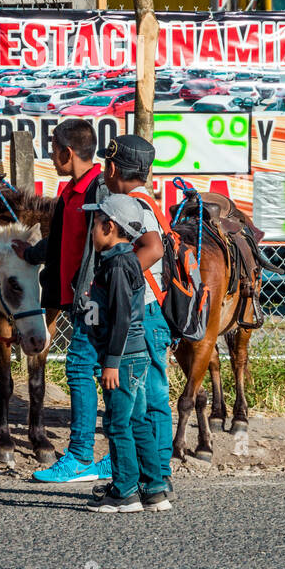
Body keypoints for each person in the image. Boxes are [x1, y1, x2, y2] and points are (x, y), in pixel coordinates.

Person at [19, 118, 112, 484]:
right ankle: (111, 457)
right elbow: (60, 241)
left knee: (85, 369)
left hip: (99, 299)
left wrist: (102, 294)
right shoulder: (71, 192)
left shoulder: (99, 190)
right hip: (79, 299)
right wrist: (30, 253)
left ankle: (81, 457)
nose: (51, 155)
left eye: (53, 147)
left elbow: (114, 245)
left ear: (66, 152)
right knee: (92, 372)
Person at [81, 195, 170, 513]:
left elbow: (121, 317)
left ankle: (125, 491)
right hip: (134, 356)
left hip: (123, 359)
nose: (90, 229)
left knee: (118, 425)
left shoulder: (117, 264)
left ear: (109, 226)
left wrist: (111, 362)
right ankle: (154, 487)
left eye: (95, 223)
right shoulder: (123, 259)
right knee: (138, 421)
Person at [99, 135, 174, 497]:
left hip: (141, 310)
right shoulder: (147, 201)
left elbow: (154, 247)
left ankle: (156, 475)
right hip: (148, 309)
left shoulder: (130, 205)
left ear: (112, 168)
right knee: (147, 397)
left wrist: (122, 278)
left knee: (150, 396)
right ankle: (154, 478)